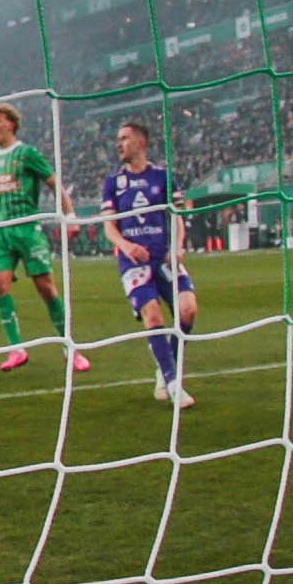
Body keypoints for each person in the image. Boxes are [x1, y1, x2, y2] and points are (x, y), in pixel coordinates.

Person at [0, 104, 88, 373]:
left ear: (11, 124)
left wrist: (70, 215)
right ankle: (17, 349)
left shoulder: (27, 154)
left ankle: (70, 348)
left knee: (45, 288)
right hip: (1, 231)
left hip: (27, 228)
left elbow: (53, 182)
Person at [99, 121, 196, 410]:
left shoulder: (163, 177)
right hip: (133, 262)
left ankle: (165, 369)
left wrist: (178, 247)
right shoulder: (113, 183)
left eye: (124, 138)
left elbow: (176, 217)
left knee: (188, 309)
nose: (119, 144)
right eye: (118, 139)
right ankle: (173, 384)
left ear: (141, 142)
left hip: (164, 257)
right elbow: (109, 226)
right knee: (153, 315)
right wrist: (126, 245)